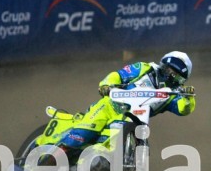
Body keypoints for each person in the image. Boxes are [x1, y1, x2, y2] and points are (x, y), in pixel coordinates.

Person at [54, 52, 196, 152]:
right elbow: (119, 75)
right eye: (170, 71)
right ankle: (52, 158)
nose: (172, 76)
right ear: (163, 66)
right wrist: (106, 85)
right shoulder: (144, 68)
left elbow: (183, 108)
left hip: (135, 120)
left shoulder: (173, 94)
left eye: (177, 76)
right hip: (110, 107)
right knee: (83, 134)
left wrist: (189, 97)